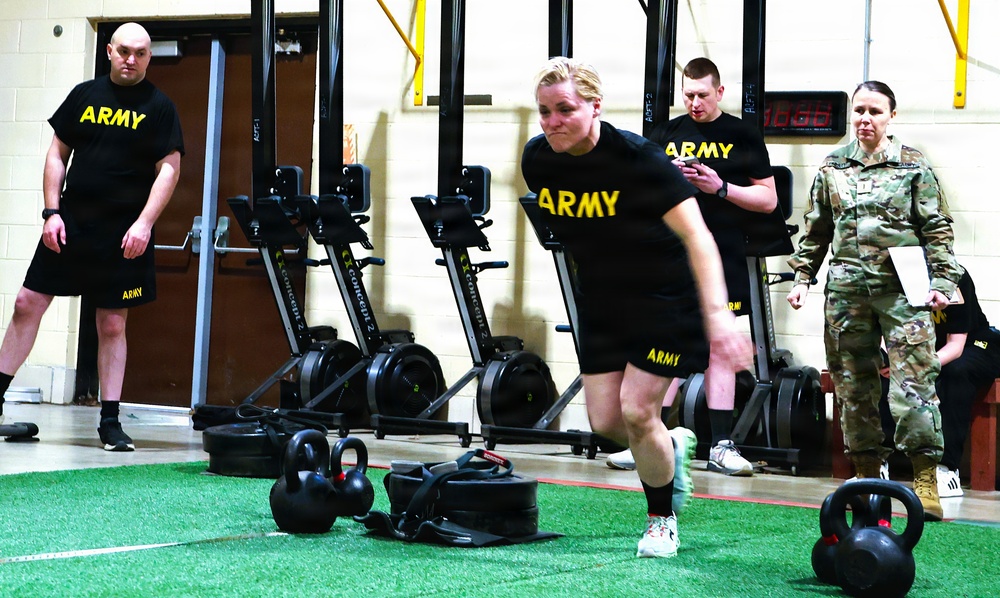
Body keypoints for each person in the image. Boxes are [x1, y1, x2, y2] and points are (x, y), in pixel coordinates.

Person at [520, 57, 752, 557]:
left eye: (565, 109)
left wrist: (718, 316)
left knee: (638, 409)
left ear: (595, 106)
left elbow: (699, 237)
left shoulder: (640, 160)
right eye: (544, 111)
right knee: (607, 423)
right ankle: (674, 446)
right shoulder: (538, 160)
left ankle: (661, 520)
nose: (553, 121)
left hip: (664, 301)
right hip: (602, 303)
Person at [0, 23, 184, 451]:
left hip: (123, 234)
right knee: (27, 304)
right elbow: (56, 154)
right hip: (71, 224)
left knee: (112, 322)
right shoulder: (85, 96)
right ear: (109, 51)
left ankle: (110, 421)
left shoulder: (160, 107)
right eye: (123, 51)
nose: (131, 59)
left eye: (140, 53)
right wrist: (51, 212)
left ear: (149, 58)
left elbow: (170, 170)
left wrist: (144, 224)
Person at [786, 81, 960, 521]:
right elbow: (817, 226)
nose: (865, 119)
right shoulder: (833, 166)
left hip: (903, 294)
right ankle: (865, 476)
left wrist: (943, 279)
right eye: (859, 111)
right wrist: (803, 276)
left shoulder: (912, 166)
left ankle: (924, 478)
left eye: (875, 112)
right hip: (846, 294)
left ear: (891, 116)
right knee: (853, 386)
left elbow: (937, 227)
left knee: (913, 386)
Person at [605, 57, 778, 477]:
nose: (694, 102)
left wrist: (719, 187)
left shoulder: (742, 134)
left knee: (720, 349)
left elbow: (769, 200)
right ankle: (649, 437)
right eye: (688, 95)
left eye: (702, 95)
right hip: (669, 255)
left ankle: (721, 444)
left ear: (719, 92)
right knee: (664, 345)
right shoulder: (665, 133)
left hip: (722, 253)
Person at [878, 266, 1000, 497]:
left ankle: (947, 469)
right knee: (883, 371)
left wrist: (918, 366)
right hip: (930, 346)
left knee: (955, 372)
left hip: (976, 344)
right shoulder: (894, 276)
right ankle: (877, 464)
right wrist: (892, 362)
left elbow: (955, 347)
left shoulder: (954, 275)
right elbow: (889, 334)